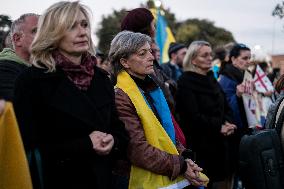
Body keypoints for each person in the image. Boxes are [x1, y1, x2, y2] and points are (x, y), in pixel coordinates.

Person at [13, 2, 129, 188]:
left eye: (84, 25)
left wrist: (113, 140)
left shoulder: (101, 78)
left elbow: (120, 131)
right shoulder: (31, 81)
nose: (82, 32)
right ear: (52, 33)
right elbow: (25, 146)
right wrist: (85, 144)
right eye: (71, 26)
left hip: (104, 180)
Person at [109, 31, 208, 189]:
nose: (151, 57)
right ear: (124, 62)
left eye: (150, 51)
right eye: (143, 53)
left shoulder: (152, 87)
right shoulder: (120, 95)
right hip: (134, 177)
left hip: (165, 167)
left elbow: (168, 133)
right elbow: (137, 149)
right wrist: (181, 166)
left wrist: (185, 158)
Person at [175, 41, 237, 189]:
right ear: (193, 59)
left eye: (210, 54)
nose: (210, 58)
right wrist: (218, 127)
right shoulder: (185, 82)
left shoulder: (211, 78)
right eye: (204, 55)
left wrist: (227, 123)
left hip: (221, 144)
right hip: (201, 146)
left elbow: (224, 106)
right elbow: (191, 117)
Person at [218, 43, 252, 189]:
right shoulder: (226, 78)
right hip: (234, 133)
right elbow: (224, 108)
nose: (248, 61)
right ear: (233, 59)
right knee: (234, 170)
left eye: (249, 58)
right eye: (244, 58)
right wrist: (237, 96)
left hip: (243, 130)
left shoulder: (243, 75)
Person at [0, 13, 39, 101]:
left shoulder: (45, 68)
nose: (43, 36)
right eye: (35, 31)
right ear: (18, 39)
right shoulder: (4, 69)